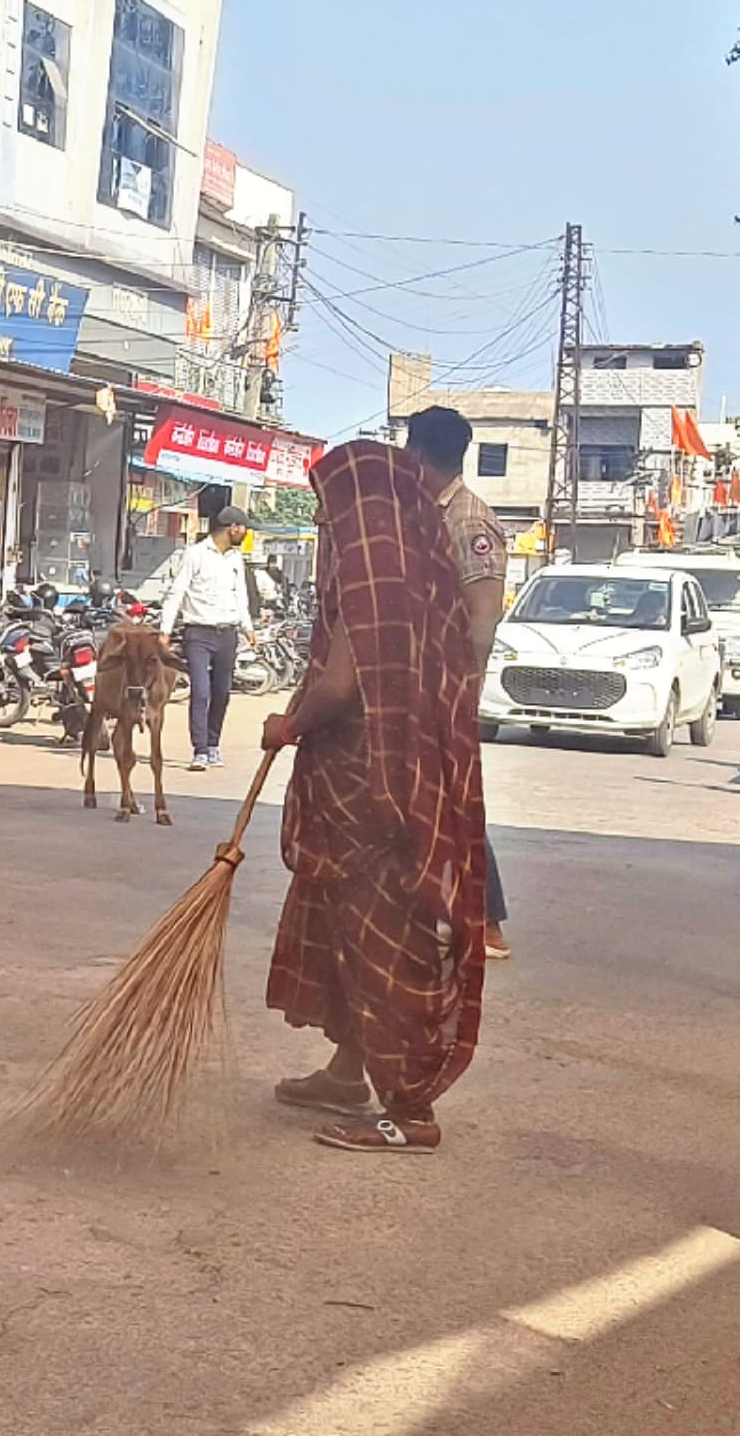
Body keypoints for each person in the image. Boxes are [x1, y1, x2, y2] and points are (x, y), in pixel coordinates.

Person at [260, 438, 492, 1156]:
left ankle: (409, 1109)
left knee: (385, 939)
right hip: (389, 780)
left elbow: (340, 685)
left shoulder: (374, 575)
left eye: (332, 510)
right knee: (348, 937)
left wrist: (288, 724)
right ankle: (347, 1071)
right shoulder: (417, 562)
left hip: (378, 792)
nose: (327, 524)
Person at [406, 407, 515, 959]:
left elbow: (483, 618)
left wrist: (461, 691)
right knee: (430, 798)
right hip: (422, 683)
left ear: (419, 456)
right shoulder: (426, 512)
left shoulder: (468, 521)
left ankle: (487, 921)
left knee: (454, 801)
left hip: (447, 688)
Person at [153, 508, 259, 769]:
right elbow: (176, 592)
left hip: (228, 633)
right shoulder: (195, 554)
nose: (244, 533)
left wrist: (248, 627)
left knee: (222, 692)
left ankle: (213, 745)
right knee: (201, 691)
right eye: (243, 528)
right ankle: (199, 750)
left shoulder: (235, 559)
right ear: (232, 528)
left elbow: (240, 596)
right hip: (198, 632)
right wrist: (165, 630)